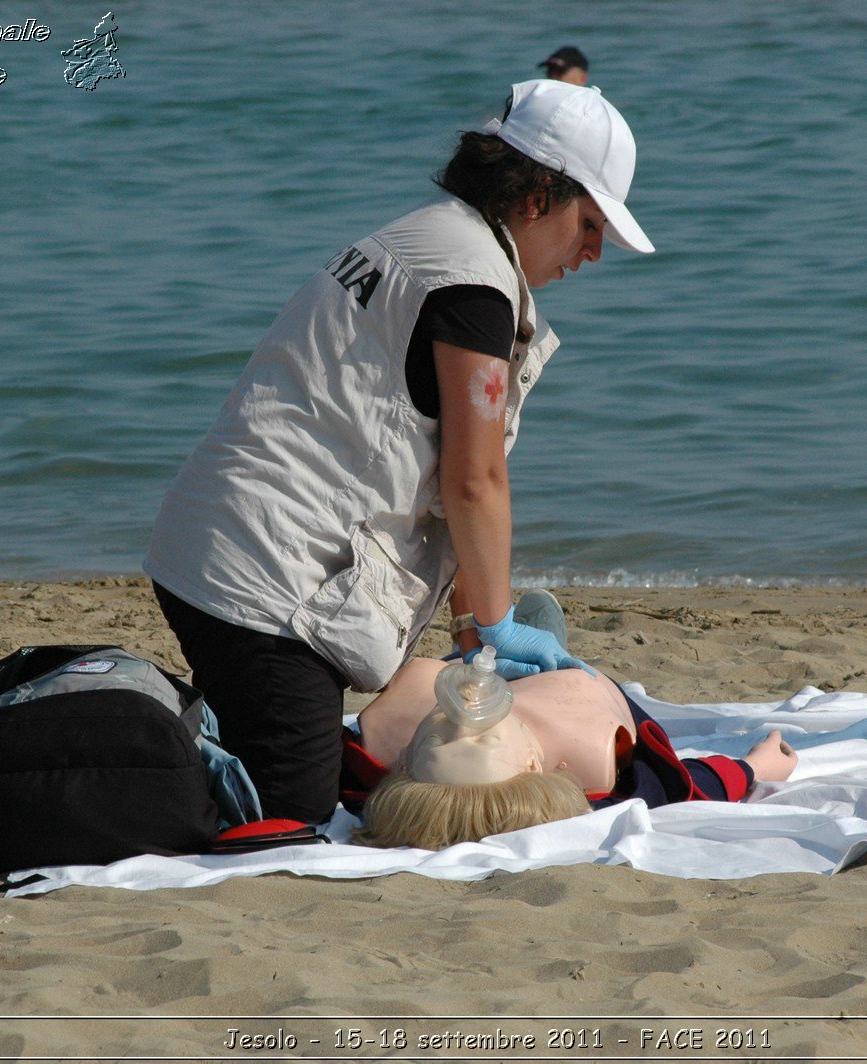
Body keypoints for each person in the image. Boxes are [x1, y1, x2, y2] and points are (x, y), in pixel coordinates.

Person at [145, 81, 655, 824]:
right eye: (592, 221)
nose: (595, 250)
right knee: (293, 817)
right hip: (259, 583)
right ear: (540, 194)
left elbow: (425, 471)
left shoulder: (431, 238)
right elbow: (474, 479)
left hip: (217, 546)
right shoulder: (474, 286)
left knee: (281, 759)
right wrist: (499, 617)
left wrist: (473, 621)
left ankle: (190, 723)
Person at [346, 655, 799, 850]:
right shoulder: (590, 765)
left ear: (402, 760)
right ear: (530, 763)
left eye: (440, 738)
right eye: (484, 739)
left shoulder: (382, 738)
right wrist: (756, 764)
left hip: (463, 664)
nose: (465, 721)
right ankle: (546, 636)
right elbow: (685, 786)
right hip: (574, 690)